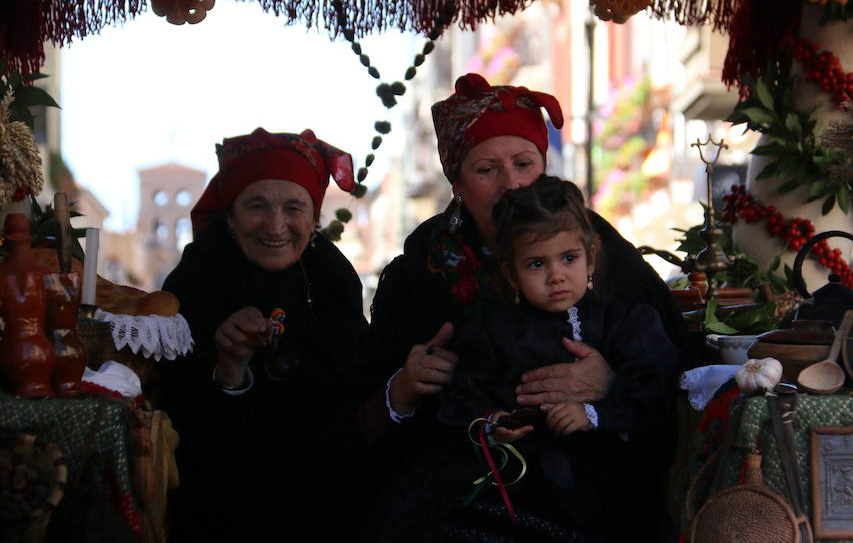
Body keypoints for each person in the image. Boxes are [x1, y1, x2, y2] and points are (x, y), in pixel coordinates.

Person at [359, 73, 688, 538]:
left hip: (596, 474)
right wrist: (405, 387)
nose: (510, 184)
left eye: (523, 163)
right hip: (465, 480)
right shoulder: (420, 271)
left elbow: (669, 364)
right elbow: (367, 413)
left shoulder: (598, 245)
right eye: (486, 169)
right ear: (457, 183)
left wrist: (611, 383)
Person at [438, 175, 680, 541]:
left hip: (613, 484)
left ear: (591, 258)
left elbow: (654, 390)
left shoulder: (628, 325)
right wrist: (494, 422)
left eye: (569, 258)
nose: (556, 276)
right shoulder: (493, 335)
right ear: (511, 273)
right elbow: (462, 398)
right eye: (536, 264)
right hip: (523, 487)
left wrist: (595, 414)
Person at [157, 127, 368, 542]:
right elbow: (178, 408)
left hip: (324, 505)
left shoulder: (332, 278)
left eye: (294, 207)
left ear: (314, 217)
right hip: (221, 510)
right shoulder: (195, 280)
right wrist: (230, 367)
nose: (276, 226)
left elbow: (354, 391)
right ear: (231, 217)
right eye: (256, 206)